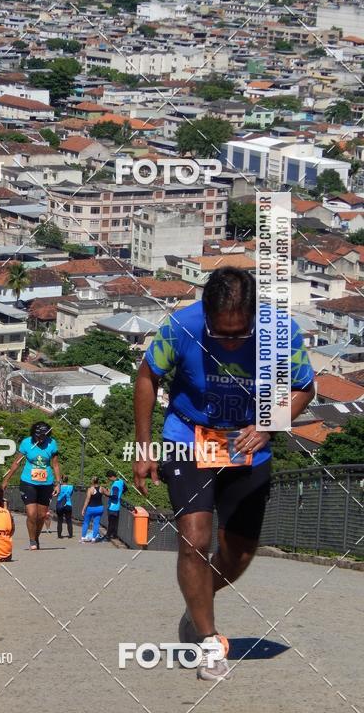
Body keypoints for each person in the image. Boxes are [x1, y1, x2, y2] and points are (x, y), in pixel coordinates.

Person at [133, 267, 315, 681]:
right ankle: (209, 639)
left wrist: (269, 424)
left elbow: (305, 387)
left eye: (239, 334)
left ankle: (196, 607)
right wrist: (144, 447)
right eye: (220, 333)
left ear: (254, 316)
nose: (229, 342)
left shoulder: (281, 331)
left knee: (239, 554)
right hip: (188, 435)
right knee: (194, 540)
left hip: (247, 442)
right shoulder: (182, 325)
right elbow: (147, 376)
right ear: (207, 314)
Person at [1, 421, 60, 550]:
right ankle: (32, 540)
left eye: (43, 436)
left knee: (42, 515)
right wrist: (6, 479)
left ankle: (36, 536)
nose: (41, 438)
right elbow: (16, 463)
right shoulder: (26, 443)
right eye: (38, 436)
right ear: (34, 434)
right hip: (28, 482)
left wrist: (58, 483)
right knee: (32, 514)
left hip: (46, 483)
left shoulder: (52, 443)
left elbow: (55, 464)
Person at [103, 470, 126, 541]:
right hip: (117, 506)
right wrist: (120, 494)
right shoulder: (121, 481)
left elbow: (114, 497)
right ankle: (114, 535)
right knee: (115, 522)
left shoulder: (115, 485)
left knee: (111, 523)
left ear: (111, 477)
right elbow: (125, 489)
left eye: (108, 478)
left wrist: (106, 494)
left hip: (112, 507)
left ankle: (108, 537)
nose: (108, 479)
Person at [80, 477, 105, 543]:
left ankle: (83, 538)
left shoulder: (90, 489)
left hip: (91, 508)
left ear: (92, 481)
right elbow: (108, 493)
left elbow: (87, 500)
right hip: (99, 508)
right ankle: (94, 539)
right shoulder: (101, 488)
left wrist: (83, 509)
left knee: (86, 522)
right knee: (96, 523)